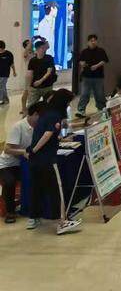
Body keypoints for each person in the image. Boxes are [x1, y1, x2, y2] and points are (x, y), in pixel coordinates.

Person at [26, 89, 81, 234]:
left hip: (36, 161)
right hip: (47, 160)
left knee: (37, 188)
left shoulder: (46, 114)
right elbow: (47, 134)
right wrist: (34, 150)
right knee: (56, 190)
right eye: (68, 102)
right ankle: (62, 222)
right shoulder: (55, 115)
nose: (68, 105)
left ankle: (33, 218)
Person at [0, 102, 43, 223]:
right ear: (34, 114)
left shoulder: (38, 127)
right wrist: (24, 152)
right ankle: (10, 211)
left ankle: (35, 206)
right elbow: (7, 149)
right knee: (10, 181)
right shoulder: (18, 127)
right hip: (7, 165)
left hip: (24, 164)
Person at [75, 34, 109, 118]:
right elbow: (80, 61)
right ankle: (81, 110)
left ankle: (101, 108)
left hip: (98, 76)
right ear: (88, 42)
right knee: (84, 94)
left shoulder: (101, 51)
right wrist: (82, 63)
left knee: (99, 94)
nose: (93, 42)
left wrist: (96, 66)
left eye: (95, 40)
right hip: (86, 76)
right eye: (91, 41)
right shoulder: (84, 51)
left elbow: (105, 60)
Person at [26, 39, 56, 108]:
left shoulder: (49, 58)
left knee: (48, 104)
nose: (44, 49)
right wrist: (29, 87)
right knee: (31, 105)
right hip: (35, 87)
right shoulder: (32, 60)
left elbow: (49, 72)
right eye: (42, 48)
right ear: (37, 49)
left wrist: (40, 81)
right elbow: (30, 74)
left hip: (47, 86)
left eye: (44, 48)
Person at [0, 40, 16, 105]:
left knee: (1, 85)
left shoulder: (9, 54)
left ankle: (2, 99)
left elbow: (12, 63)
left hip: (5, 73)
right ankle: (6, 100)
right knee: (2, 86)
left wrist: (14, 71)